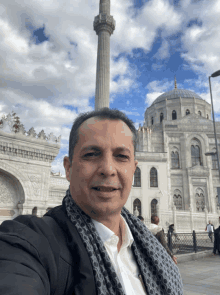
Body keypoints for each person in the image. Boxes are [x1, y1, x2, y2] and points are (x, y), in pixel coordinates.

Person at [0, 108, 183, 295]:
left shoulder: (150, 248)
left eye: (121, 156)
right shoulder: (32, 241)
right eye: (91, 154)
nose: (108, 169)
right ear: (68, 168)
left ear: (133, 170)